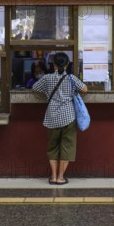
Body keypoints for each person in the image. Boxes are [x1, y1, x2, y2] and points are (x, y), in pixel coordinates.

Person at [32, 52, 87, 185]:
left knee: (52, 147)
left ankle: (53, 176)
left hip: (52, 117)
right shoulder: (72, 78)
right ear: (67, 64)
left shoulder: (47, 78)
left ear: (54, 64)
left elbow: (34, 88)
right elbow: (85, 89)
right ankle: (61, 177)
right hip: (68, 116)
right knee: (67, 147)